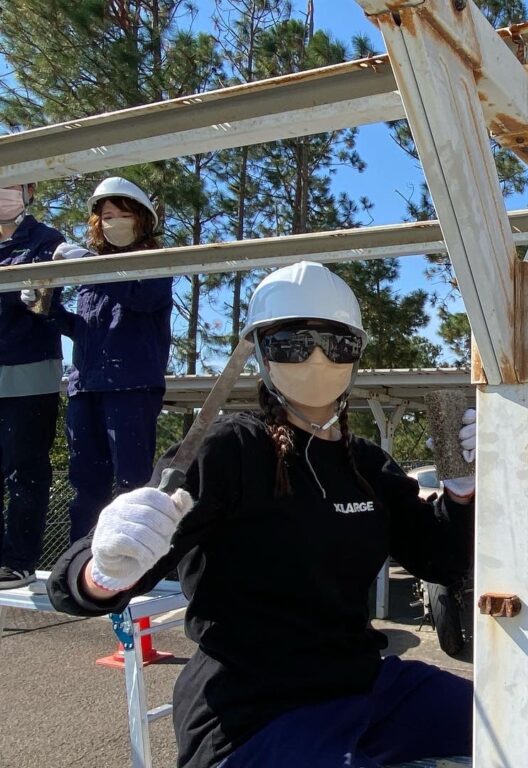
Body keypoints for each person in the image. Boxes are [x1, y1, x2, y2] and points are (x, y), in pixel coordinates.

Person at [48, 261, 477, 768]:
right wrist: (101, 571)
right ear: (261, 356)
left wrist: (462, 496)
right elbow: (80, 583)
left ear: (356, 356)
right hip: (251, 711)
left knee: (513, 724)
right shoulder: (228, 448)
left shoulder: (366, 465)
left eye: (337, 344)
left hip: (366, 684)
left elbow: (444, 563)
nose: (316, 358)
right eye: (292, 343)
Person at [50, 177, 173, 542]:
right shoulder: (92, 272)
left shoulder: (156, 262)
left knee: (130, 484)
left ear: (141, 220)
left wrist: (94, 268)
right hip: (85, 387)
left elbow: (142, 301)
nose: (113, 221)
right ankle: (80, 564)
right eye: (106, 216)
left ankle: (130, 566)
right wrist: (47, 308)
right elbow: (85, 328)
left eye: (122, 214)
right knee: (86, 483)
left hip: (132, 387)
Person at [0, 182, 69, 589]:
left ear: (30, 191)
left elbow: (46, 303)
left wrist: (34, 296)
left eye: (11, 184)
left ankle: (18, 560)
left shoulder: (45, 239)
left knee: (25, 469)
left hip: (30, 368)